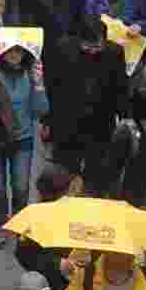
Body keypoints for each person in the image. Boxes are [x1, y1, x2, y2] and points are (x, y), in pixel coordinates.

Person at [46, 15, 129, 195]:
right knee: (64, 174)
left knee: (97, 174)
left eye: (97, 47)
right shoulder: (62, 49)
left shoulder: (115, 52)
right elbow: (52, 86)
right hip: (68, 121)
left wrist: (125, 117)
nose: (93, 51)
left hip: (101, 121)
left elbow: (121, 87)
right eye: (88, 47)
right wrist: (48, 120)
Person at [0, 44, 48, 249]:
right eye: (10, 51)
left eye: (19, 51)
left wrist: (38, 85)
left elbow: (40, 111)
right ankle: (0, 223)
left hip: (23, 139)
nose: (14, 56)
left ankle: (19, 222)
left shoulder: (30, 75)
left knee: (20, 187)